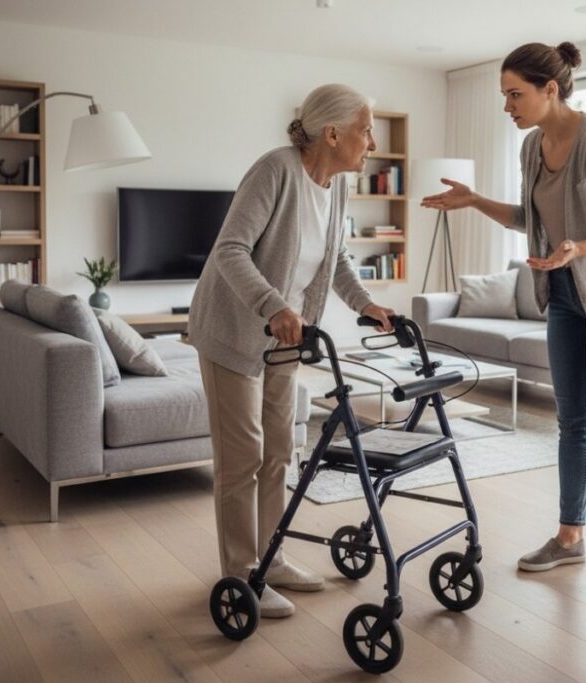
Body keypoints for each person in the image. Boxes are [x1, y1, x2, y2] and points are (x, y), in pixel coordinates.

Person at [421, 42, 586, 591]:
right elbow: (530, 216)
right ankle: (569, 538)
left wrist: (581, 247)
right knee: (570, 422)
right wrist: (476, 200)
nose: (508, 105)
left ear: (550, 88)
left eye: (514, 94)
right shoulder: (532, 147)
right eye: (504, 95)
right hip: (566, 297)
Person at [190, 84, 395, 617]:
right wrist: (273, 305)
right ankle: (241, 575)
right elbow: (229, 249)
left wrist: (366, 304)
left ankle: (270, 558)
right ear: (332, 133)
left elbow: (337, 257)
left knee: (281, 449)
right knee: (243, 458)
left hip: (286, 335)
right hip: (235, 330)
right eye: (366, 129)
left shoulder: (338, 186)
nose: (372, 141)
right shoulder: (274, 171)